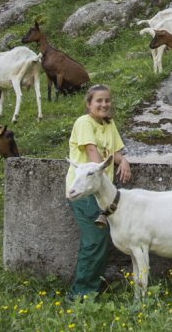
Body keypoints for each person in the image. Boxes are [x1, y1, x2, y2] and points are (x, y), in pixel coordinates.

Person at [65, 84, 131, 301]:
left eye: (107, 100)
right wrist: (104, 176)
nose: (104, 104)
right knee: (94, 240)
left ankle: (91, 287)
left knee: (101, 240)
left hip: (100, 194)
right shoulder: (84, 123)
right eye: (99, 101)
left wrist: (125, 161)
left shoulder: (109, 124)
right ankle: (78, 295)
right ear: (88, 104)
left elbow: (116, 152)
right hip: (85, 193)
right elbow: (93, 154)